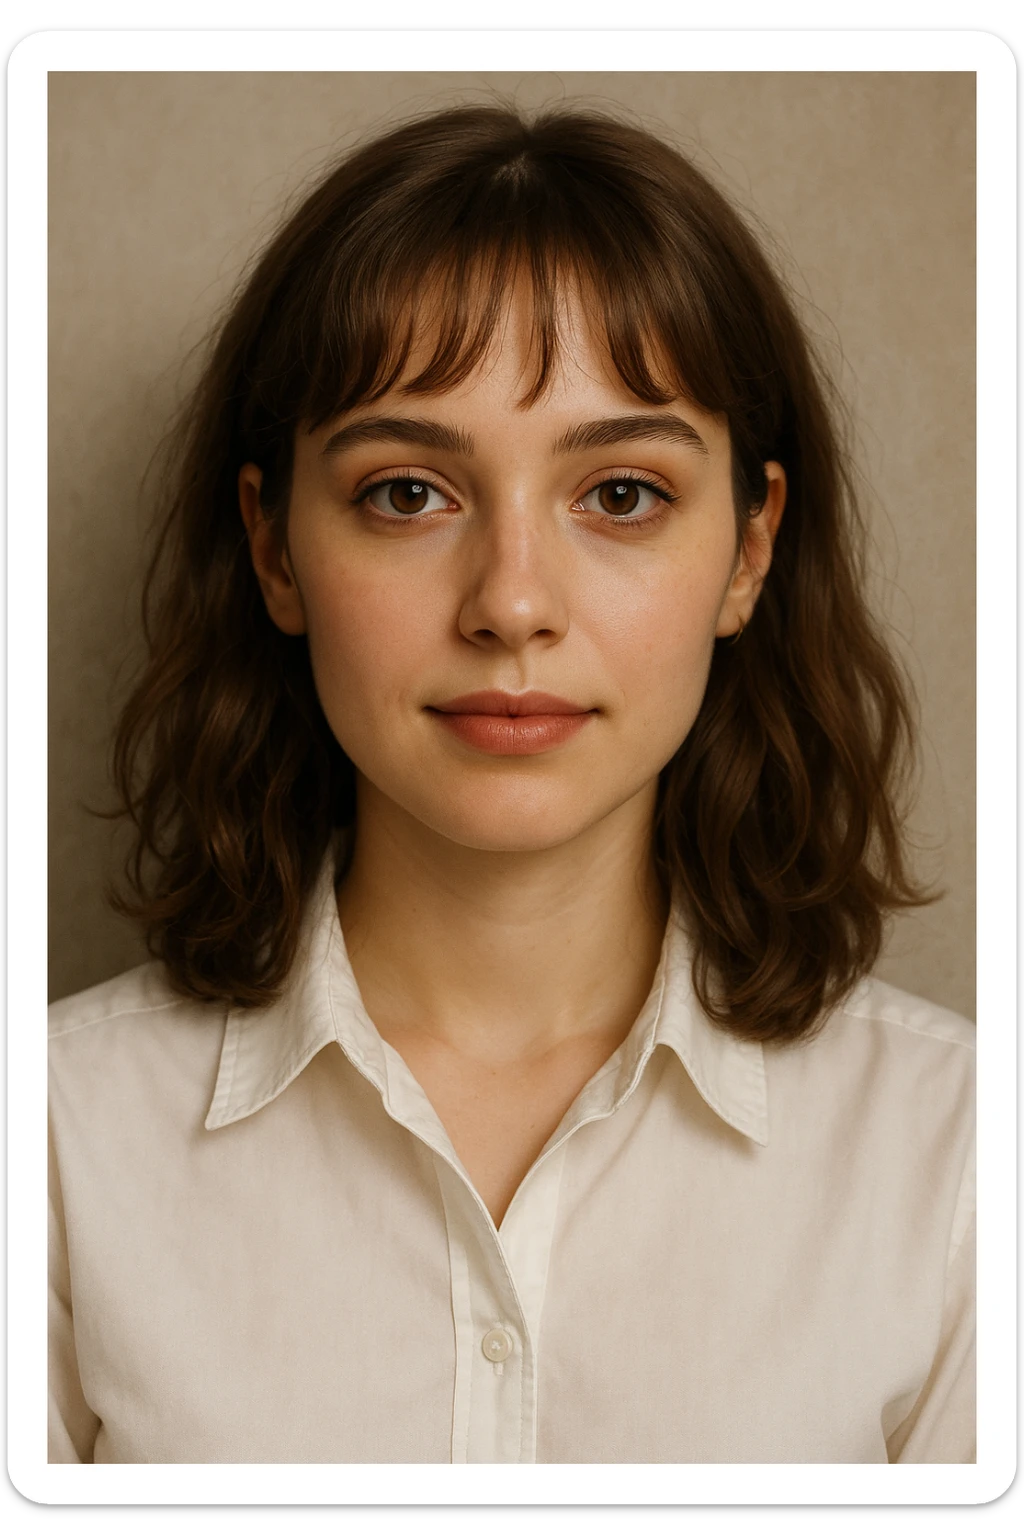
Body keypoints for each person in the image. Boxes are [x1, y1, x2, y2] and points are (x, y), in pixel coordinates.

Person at [47, 104, 975, 1465]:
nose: (513, 603)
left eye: (620, 495)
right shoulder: (55, 1152)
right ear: (274, 548)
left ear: (750, 551)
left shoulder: (957, 1161)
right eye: (410, 493)